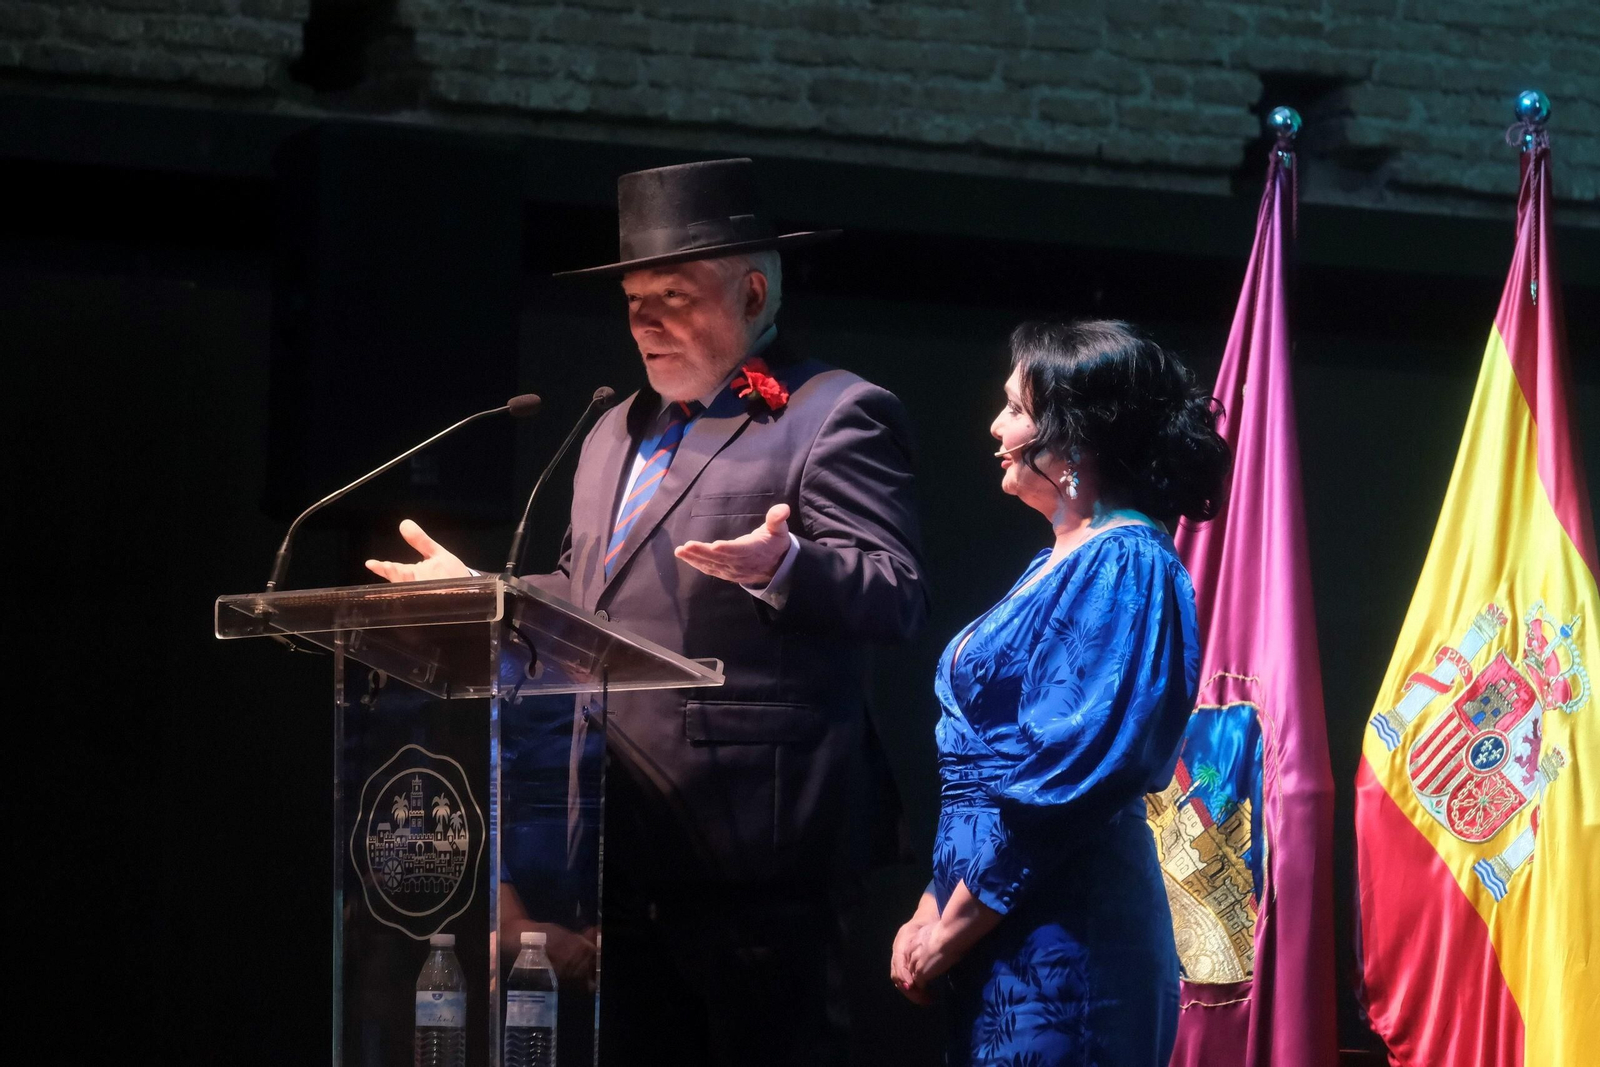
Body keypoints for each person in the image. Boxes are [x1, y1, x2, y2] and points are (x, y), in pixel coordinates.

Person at [367, 157, 928, 1066]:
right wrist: (485, 596)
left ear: (752, 292)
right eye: (633, 298)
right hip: (620, 854)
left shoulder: (835, 414)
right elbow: (583, 596)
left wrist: (785, 563)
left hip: (760, 858)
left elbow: (895, 590)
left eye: (672, 293)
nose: (644, 319)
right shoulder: (609, 430)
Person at [889, 319, 1231, 1066]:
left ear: (1074, 439)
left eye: (1016, 407)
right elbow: (987, 771)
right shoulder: (1061, 559)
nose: (996, 424)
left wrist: (951, 925)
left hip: (1066, 940)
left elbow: (1068, 777)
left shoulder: (1128, 562)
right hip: (1000, 921)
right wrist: (931, 903)